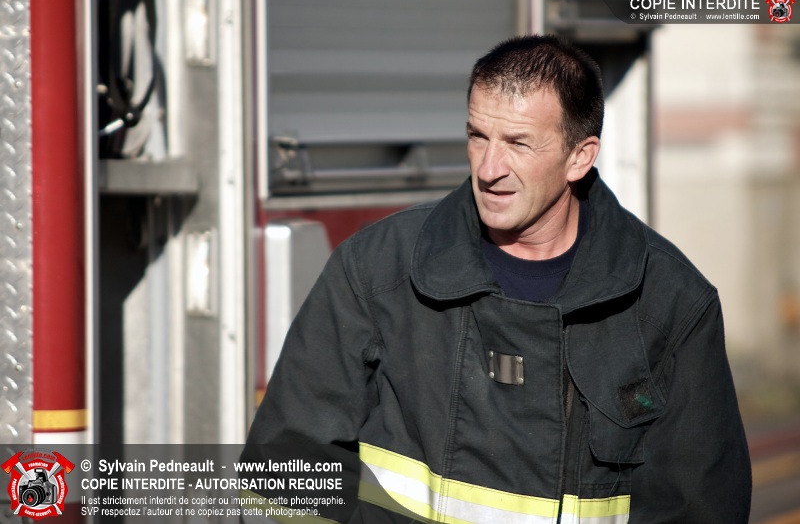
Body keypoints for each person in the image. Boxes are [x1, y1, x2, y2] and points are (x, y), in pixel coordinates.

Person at [243, 35, 751, 523]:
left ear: (580, 156)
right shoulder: (376, 270)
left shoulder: (669, 303)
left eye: (517, 143)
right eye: (477, 136)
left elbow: (699, 507)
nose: (489, 169)